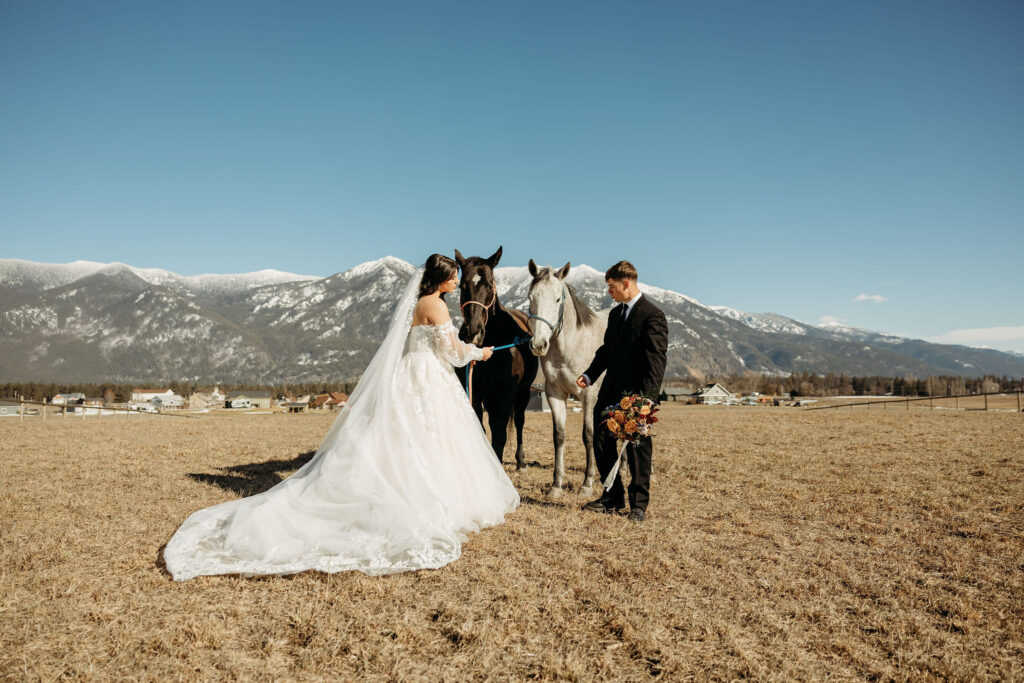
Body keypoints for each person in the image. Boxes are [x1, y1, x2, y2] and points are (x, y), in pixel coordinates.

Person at [163, 254, 519, 580]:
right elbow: (454, 353)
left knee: (402, 435)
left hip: (408, 374)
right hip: (429, 377)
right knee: (435, 435)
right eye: (454, 278)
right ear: (441, 280)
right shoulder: (437, 307)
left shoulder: (416, 303)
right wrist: (481, 352)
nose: (457, 283)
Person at [576, 261, 668, 522]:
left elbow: (656, 359)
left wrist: (647, 400)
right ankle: (612, 496)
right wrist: (589, 374)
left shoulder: (653, 315)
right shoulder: (615, 315)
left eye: (612, 286)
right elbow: (606, 351)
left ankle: (638, 505)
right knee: (602, 441)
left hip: (637, 396)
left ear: (625, 284)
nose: (609, 292)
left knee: (638, 449)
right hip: (610, 393)